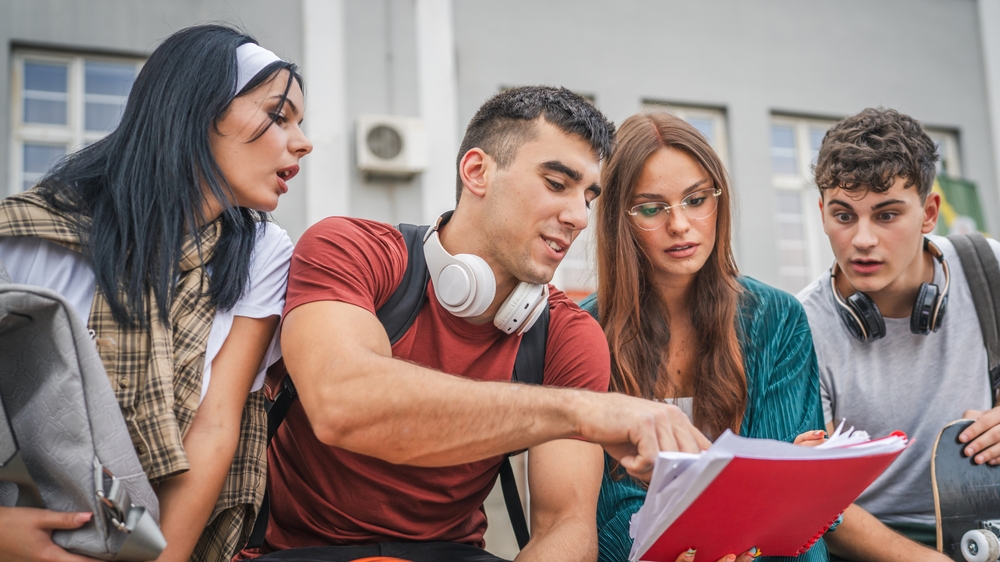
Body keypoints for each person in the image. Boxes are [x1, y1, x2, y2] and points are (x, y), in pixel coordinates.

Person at [247, 86, 710, 562]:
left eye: (588, 197)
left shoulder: (568, 335)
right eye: (556, 183)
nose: (577, 217)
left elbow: (563, 526)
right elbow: (341, 404)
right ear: (476, 172)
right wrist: (582, 410)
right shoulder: (351, 249)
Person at [0, 24, 312, 562]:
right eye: (278, 116)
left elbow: (217, 426)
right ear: (197, 108)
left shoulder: (262, 251)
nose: (303, 142)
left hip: (155, 540)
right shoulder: (33, 237)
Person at [580, 112, 831, 562]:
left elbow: (791, 490)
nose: (680, 224)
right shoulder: (585, 333)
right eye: (652, 208)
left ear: (719, 200)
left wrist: (792, 479)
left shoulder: (776, 318)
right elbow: (606, 507)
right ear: (621, 218)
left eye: (696, 200)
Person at [796, 107, 990, 561]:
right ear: (823, 213)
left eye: (886, 216)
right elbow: (817, 501)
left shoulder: (990, 270)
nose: (862, 239)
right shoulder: (799, 325)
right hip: (871, 548)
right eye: (844, 216)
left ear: (929, 213)